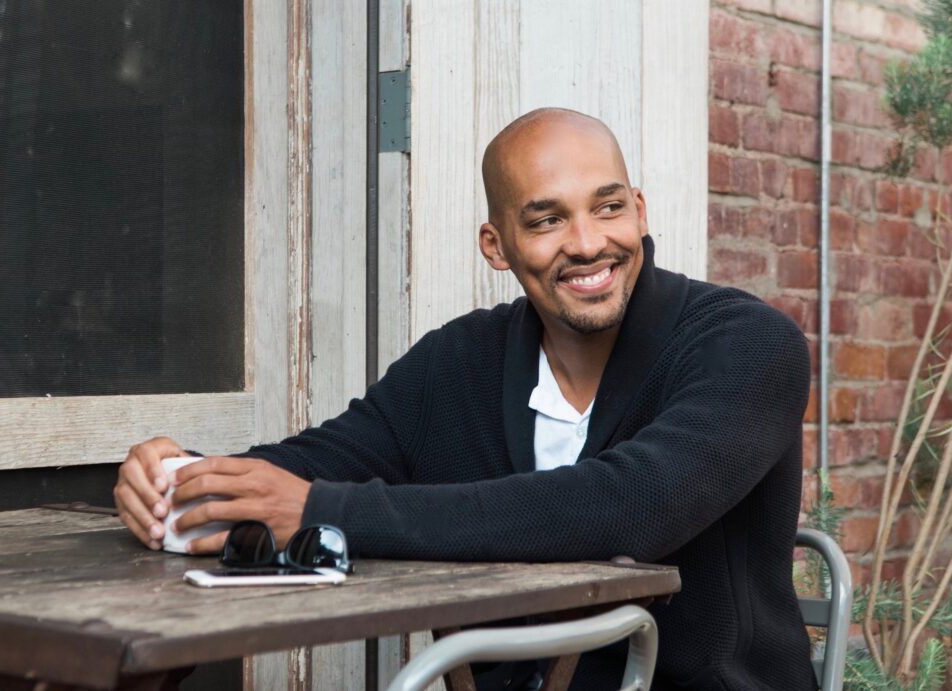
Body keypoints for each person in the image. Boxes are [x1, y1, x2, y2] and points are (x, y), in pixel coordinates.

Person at [115, 108, 816, 689]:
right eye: (545, 220)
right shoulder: (459, 360)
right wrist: (180, 477)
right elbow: (315, 461)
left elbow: (629, 505)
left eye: (607, 208)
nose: (588, 243)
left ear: (638, 210)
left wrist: (319, 510)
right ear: (497, 243)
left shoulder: (750, 344)